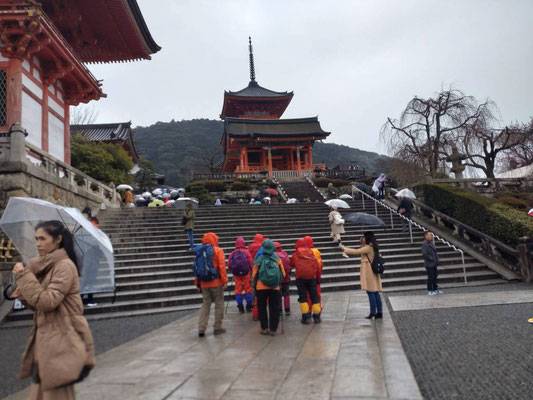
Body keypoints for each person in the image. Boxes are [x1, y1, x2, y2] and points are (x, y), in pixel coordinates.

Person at [11, 220, 94, 399]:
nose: (38, 244)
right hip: (49, 339)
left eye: (42, 238)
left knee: (55, 394)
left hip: (62, 339)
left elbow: (48, 302)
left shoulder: (64, 266)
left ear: (58, 240)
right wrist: (25, 298)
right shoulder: (48, 266)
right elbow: (41, 305)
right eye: (36, 239)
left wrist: (23, 276)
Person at [340, 231, 383, 319]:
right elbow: (364, 251)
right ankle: (379, 312)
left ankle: (373, 312)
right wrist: (363, 243)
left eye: (364, 237)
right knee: (375, 291)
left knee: (370, 291)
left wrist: (344, 248)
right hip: (373, 270)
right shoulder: (373, 246)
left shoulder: (368, 247)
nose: (363, 238)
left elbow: (356, 251)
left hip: (369, 271)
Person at [195, 232, 228, 337]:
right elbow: (222, 267)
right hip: (216, 282)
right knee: (219, 304)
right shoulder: (218, 250)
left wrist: (197, 283)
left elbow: (197, 268)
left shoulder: (199, 251)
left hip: (204, 283)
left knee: (205, 305)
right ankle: (217, 328)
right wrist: (225, 281)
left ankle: (201, 328)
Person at [252, 240, 285, 336]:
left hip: (261, 287)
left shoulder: (260, 259)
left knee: (262, 308)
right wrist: (278, 281)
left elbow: (254, 274)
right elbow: (283, 273)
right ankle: (273, 330)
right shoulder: (277, 258)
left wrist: (253, 283)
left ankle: (264, 328)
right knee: (274, 308)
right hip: (275, 287)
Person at [291, 239, 321, 324]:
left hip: (300, 279)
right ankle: (317, 317)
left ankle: (306, 317)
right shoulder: (311, 253)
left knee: (303, 298)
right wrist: (318, 278)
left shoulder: (295, 254)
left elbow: (292, 264)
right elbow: (317, 267)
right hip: (312, 278)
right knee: (315, 298)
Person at [228, 237, 253, 313]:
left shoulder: (233, 253)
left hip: (236, 274)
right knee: (248, 289)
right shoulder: (246, 252)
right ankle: (249, 306)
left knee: (238, 290)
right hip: (246, 273)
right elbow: (251, 262)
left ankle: (240, 307)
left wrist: (231, 269)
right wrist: (251, 270)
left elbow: (229, 263)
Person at [304, 236, 323, 312]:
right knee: (317, 294)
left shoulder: (302, 252)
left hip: (305, 277)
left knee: (307, 295)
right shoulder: (316, 251)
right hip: (315, 276)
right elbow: (320, 265)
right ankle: (318, 309)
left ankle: (308, 310)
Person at [274, 241, 292, 316]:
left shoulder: (273, 255)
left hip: (277, 278)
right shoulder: (285, 254)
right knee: (286, 294)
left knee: (278, 294)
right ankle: (287, 309)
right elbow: (289, 265)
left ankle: (280, 310)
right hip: (286, 277)